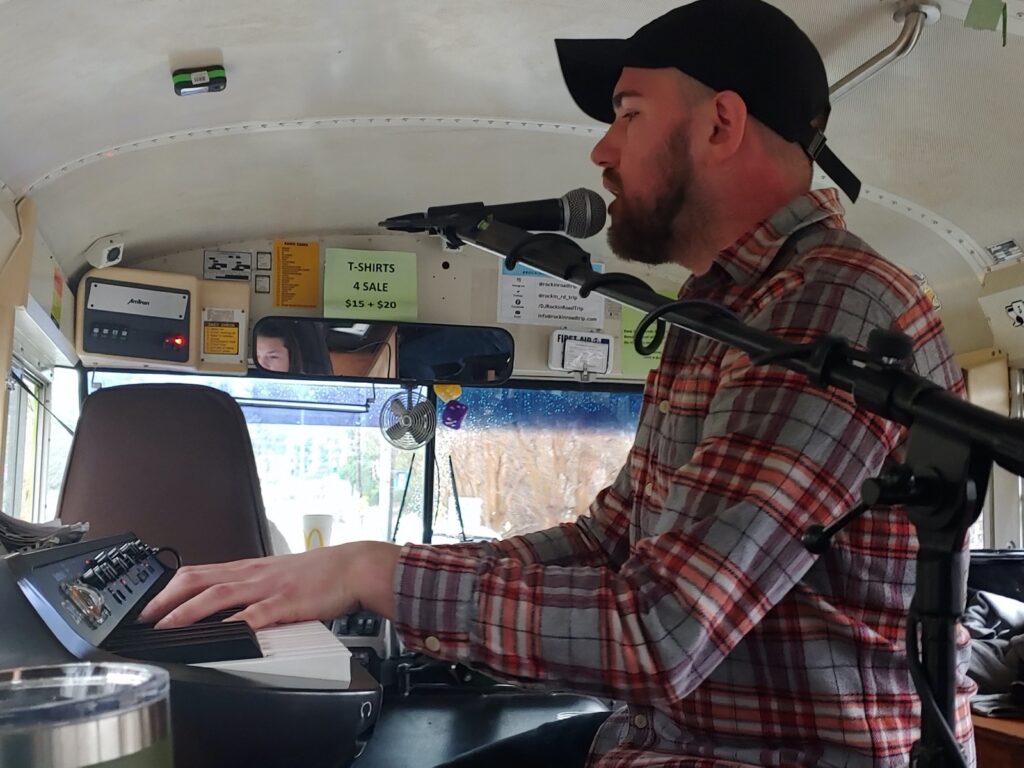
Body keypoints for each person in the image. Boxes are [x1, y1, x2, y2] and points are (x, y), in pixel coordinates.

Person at [140, 1, 975, 766]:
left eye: (627, 114)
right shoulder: (726, 313)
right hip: (665, 740)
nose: (601, 151)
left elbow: (659, 632)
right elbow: (612, 541)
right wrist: (385, 566)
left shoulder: (828, 309)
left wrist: (376, 578)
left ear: (721, 123)